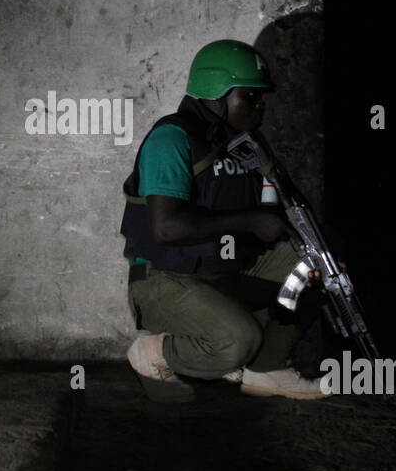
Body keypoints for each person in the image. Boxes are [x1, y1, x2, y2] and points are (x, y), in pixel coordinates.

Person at [120, 39, 333, 402]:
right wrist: (250, 221)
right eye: (250, 96)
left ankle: (267, 370)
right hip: (165, 277)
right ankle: (156, 352)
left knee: (316, 267)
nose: (260, 106)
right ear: (218, 93)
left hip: (222, 268)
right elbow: (165, 228)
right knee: (238, 339)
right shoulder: (172, 138)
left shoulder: (241, 141)